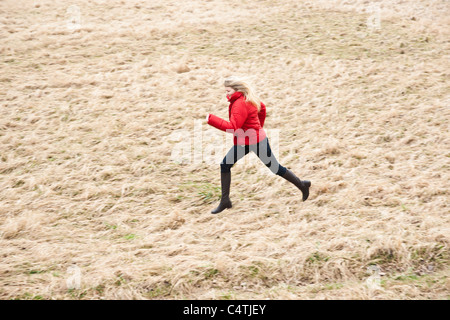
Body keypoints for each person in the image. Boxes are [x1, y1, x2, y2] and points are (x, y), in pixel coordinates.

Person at [206, 76, 311, 214]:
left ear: (237, 89)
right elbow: (262, 107)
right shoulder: (247, 98)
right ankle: (225, 201)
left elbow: (233, 127)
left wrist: (211, 119)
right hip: (245, 141)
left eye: (229, 91)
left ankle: (302, 185)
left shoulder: (240, 103)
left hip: (257, 142)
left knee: (275, 168)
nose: (227, 94)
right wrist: (258, 128)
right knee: (225, 165)